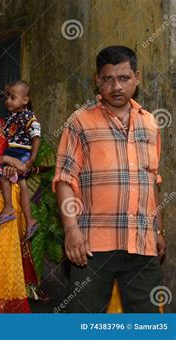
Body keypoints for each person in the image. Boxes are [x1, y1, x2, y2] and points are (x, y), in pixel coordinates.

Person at [54, 45, 165, 313]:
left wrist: (158, 231)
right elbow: (65, 179)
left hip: (141, 243)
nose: (116, 86)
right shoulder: (79, 122)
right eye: (108, 79)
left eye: (124, 78)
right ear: (97, 80)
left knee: (148, 322)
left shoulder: (150, 123)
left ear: (137, 78)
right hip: (92, 246)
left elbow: (152, 181)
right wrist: (71, 231)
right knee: (82, 320)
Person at [0, 81, 40, 241]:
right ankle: (29, 220)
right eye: (7, 97)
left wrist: (32, 159)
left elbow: (36, 137)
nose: (8, 100)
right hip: (12, 153)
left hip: (21, 152)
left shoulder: (28, 116)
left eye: (12, 97)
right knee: (20, 183)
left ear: (25, 100)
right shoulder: (9, 118)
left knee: (3, 174)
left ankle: (9, 207)